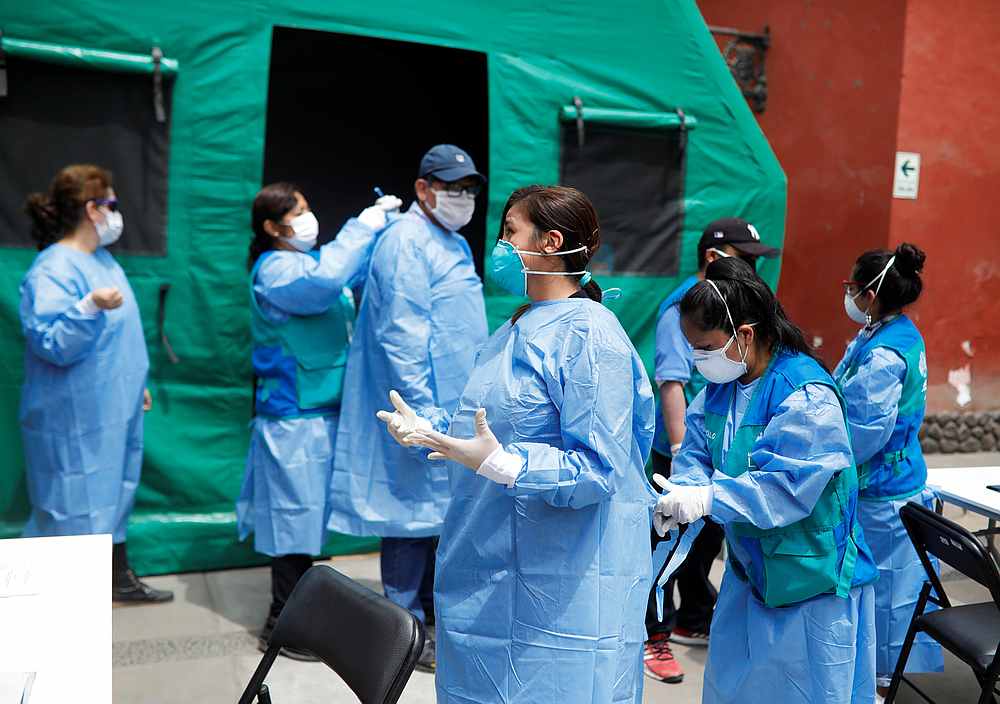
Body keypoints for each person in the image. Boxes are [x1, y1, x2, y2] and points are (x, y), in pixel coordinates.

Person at [379, 185, 657, 703]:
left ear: (551, 242)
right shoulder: (518, 326)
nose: (500, 246)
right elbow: (485, 425)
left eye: (510, 233)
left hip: (563, 588)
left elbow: (600, 467)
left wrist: (510, 464)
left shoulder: (590, 336)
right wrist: (431, 430)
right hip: (485, 565)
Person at [654, 256, 879, 704]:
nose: (698, 360)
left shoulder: (805, 395)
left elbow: (786, 487)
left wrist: (708, 499)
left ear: (745, 335)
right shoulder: (723, 386)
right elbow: (697, 448)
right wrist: (683, 489)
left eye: (704, 348)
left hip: (810, 581)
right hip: (750, 571)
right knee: (735, 687)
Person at [328, 145, 489, 671]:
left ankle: (428, 623)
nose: (462, 197)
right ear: (423, 189)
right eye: (452, 187)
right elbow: (401, 335)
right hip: (421, 407)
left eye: (469, 188)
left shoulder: (451, 241)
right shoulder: (404, 242)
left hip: (453, 405)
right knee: (408, 517)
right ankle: (402, 632)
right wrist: (420, 414)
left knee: (436, 519)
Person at [238, 182, 400, 660]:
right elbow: (327, 283)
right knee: (293, 520)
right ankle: (282, 624)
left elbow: (346, 279)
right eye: (298, 212)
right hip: (292, 416)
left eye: (309, 207)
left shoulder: (307, 262)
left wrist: (382, 238)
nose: (309, 218)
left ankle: (306, 614)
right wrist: (365, 224)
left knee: (309, 517)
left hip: (323, 409)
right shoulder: (276, 271)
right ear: (272, 227)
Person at [20, 164, 171, 603]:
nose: (115, 213)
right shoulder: (51, 270)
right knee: (72, 503)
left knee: (112, 497)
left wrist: (132, 382)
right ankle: (59, 600)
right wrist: (87, 306)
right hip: (72, 417)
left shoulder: (102, 260)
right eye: (111, 204)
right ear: (93, 209)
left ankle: (114, 576)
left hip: (113, 405)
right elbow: (52, 343)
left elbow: (117, 338)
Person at [645, 218, 781, 683]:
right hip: (684, 452)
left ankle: (691, 618)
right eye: (746, 259)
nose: (753, 269)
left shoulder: (787, 382)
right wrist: (686, 465)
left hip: (720, 469)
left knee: (703, 548)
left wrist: (707, 493)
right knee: (666, 549)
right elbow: (674, 385)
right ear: (713, 258)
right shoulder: (683, 311)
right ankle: (654, 636)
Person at [834, 243, 942, 699]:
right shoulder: (889, 332)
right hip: (892, 479)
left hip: (884, 489)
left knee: (885, 588)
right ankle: (882, 670)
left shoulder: (885, 355)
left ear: (871, 293)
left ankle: (881, 677)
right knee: (892, 582)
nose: (850, 296)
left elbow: (864, 430)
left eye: (854, 288)